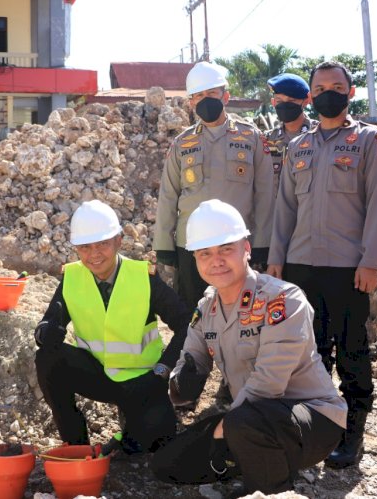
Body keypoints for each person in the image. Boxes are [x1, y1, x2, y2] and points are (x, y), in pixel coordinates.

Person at [150, 200, 346, 494]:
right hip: (249, 418)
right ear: (196, 260)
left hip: (312, 420)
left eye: (226, 249)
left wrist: (222, 432)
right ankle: (250, 460)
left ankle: (273, 489)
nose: (216, 260)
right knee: (167, 464)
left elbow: (268, 384)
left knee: (243, 424)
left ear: (247, 249)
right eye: (205, 253)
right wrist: (180, 384)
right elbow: (189, 363)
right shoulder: (205, 309)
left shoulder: (282, 300)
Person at [267, 61, 377, 468]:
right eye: (320, 87)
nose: (328, 93)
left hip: (348, 268)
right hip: (301, 266)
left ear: (350, 92)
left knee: (351, 351)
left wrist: (371, 261)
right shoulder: (298, 147)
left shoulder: (370, 141)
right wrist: (276, 261)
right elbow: (284, 209)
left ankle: (352, 434)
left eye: (336, 86)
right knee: (311, 354)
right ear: (311, 95)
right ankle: (320, 429)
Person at [35, 200, 191, 454]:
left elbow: (186, 324)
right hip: (97, 374)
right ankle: (75, 445)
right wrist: (45, 333)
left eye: (103, 244)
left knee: (156, 443)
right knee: (47, 358)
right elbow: (49, 323)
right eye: (85, 247)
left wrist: (163, 370)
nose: (94, 254)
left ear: (119, 241)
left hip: (144, 381)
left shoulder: (143, 277)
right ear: (76, 249)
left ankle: (132, 430)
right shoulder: (72, 278)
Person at [154, 61, 272, 309]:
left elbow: (265, 194)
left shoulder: (251, 137)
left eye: (211, 94)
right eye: (198, 96)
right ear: (190, 103)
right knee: (193, 312)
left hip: (236, 244)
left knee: (240, 309)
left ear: (225, 96)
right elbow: (168, 196)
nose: (204, 101)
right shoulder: (182, 143)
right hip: (192, 246)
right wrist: (165, 245)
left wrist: (262, 242)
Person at [253, 73, 319, 269]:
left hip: (308, 228)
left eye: (291, 100)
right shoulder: (265, 140)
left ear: (306, 101)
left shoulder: (320, 136)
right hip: (272, 230)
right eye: (279, 100)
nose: (283, 105)